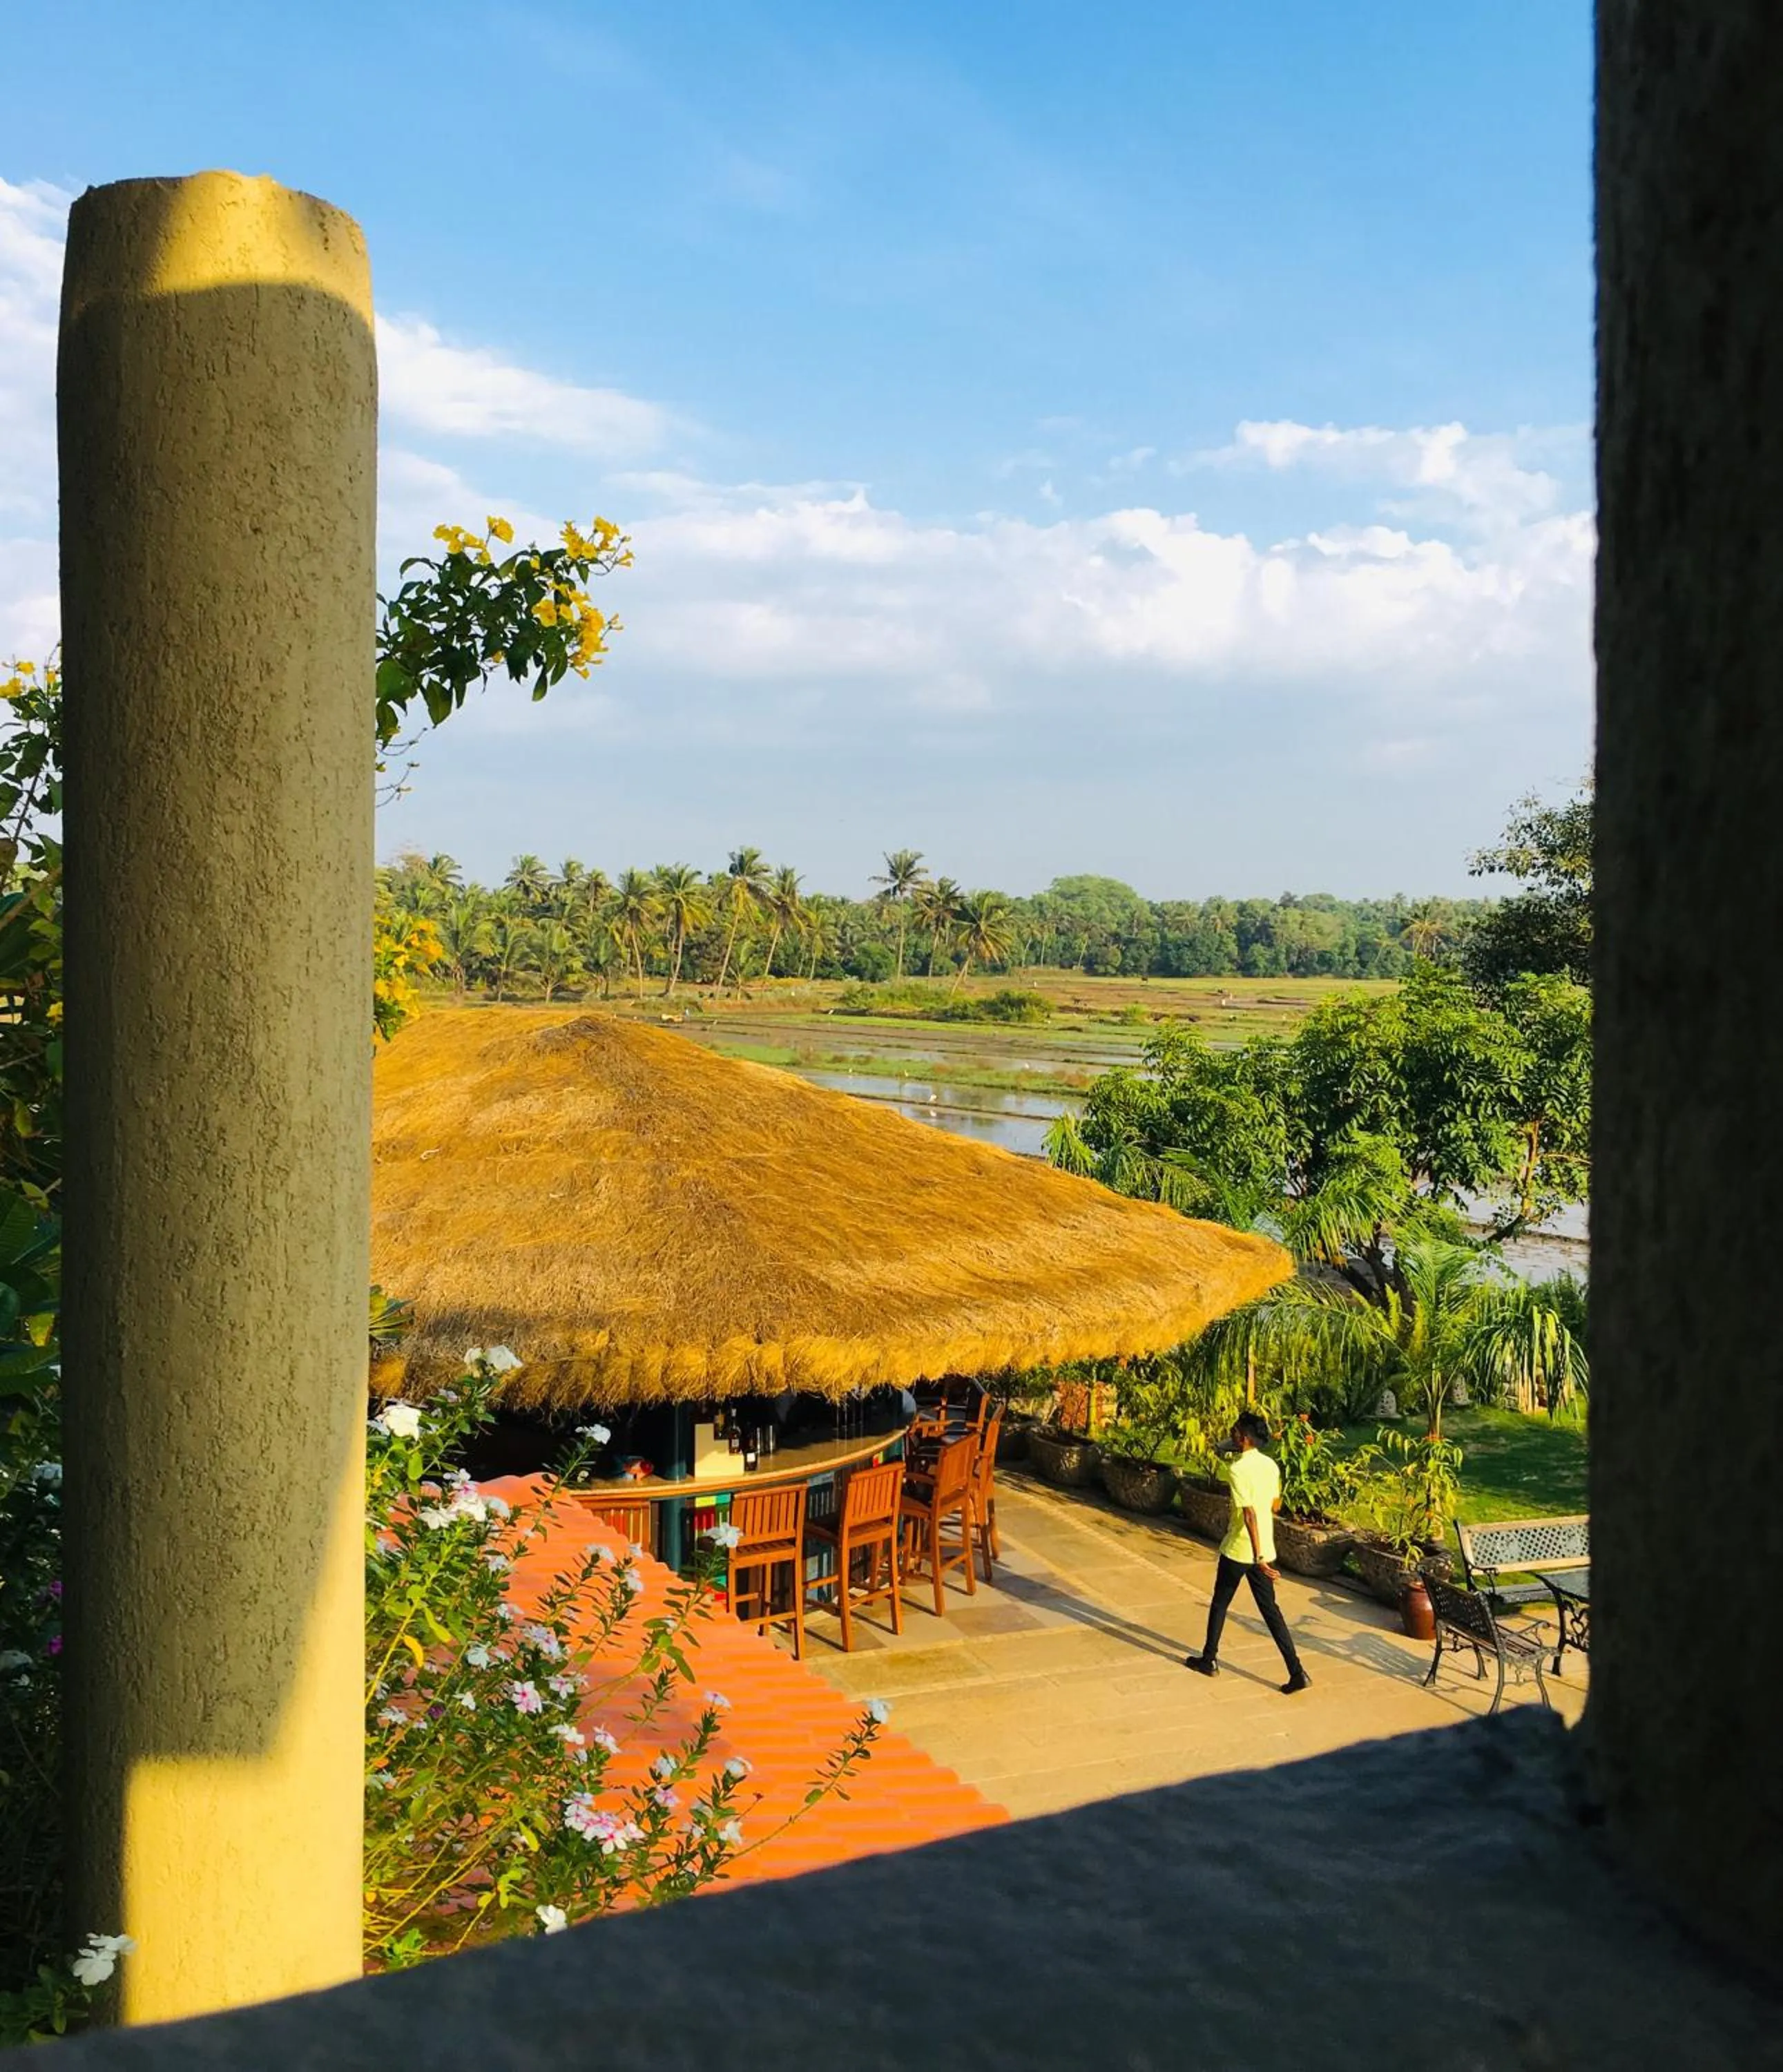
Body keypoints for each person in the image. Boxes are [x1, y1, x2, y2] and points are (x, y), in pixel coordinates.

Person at [1184, 1410, 1311, 1694]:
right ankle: (1297, 1672)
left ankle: (1209, 1659)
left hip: (1242, 1549)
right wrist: (1264, 1555)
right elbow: (1274, 1506)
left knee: (1220, 1603)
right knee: (1271, 1612)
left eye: (1235, 1431)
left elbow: (1250, 1514)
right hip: (1265, 1545)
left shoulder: (1238, 1470)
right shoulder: (1270, 1466)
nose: (1231, 1434)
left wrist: (1258, 1558)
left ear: (1244, 1438)